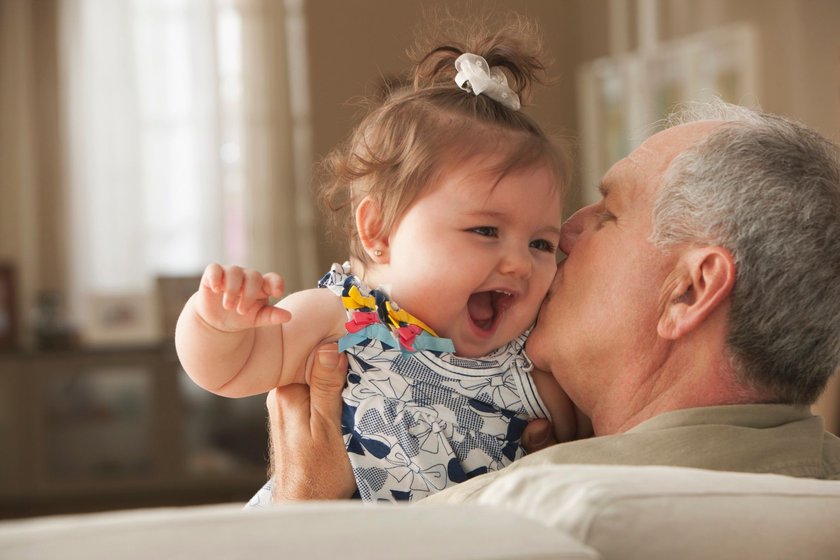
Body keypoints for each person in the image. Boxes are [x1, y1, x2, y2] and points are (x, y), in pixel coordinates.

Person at [261, 99, 840, 504]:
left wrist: (305, 514)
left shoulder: (514, 513)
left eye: (609, 215)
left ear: (688, 291)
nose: (563, 234)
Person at [175, 20, 586, 504]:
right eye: (485, 231)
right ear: (379, 233)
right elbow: (228, 371)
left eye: (541, 243)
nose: (519, 263)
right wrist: (217, 323)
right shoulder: (342, 320)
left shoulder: (533, 362)